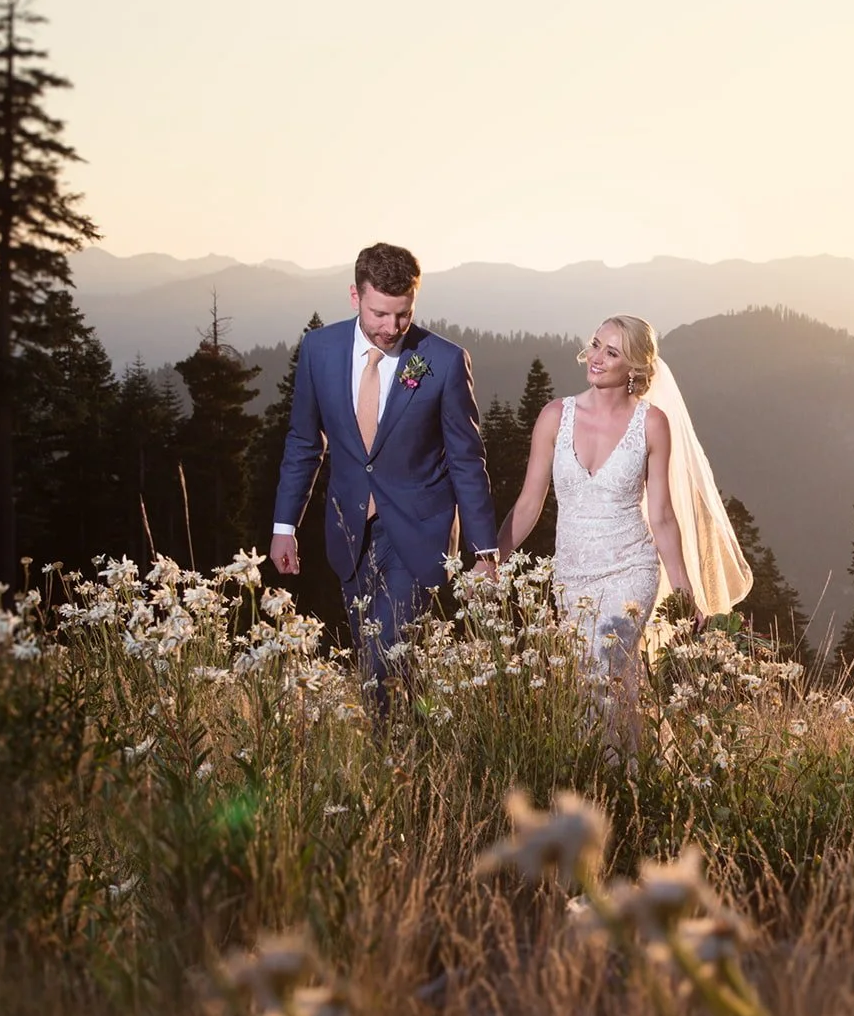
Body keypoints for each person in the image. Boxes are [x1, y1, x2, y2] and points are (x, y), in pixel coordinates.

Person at [270, 242, 497, 692]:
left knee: (384, 656)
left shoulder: (443, 361)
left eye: (403, 314)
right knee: (375, 657)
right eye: (379, 314)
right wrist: (284, 525)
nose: (391, 328)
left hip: (420, 531)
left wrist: (484, 551)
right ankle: (403, 753)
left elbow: (466, 459)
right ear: (355, 297)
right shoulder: (319, 350)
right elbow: (303, 441)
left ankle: (394, 754)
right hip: (349, 529)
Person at [501, 315, 751, 681]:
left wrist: (684, 591)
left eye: (611, 352)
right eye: (596, 344)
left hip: (631, 570)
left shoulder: (652, 424)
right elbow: (528, 504)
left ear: (633, 367)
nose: (595, 357)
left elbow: (662, 516)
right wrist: (492, 558)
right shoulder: (554, 416)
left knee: (603, 665)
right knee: (587, 681)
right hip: (572, 576)